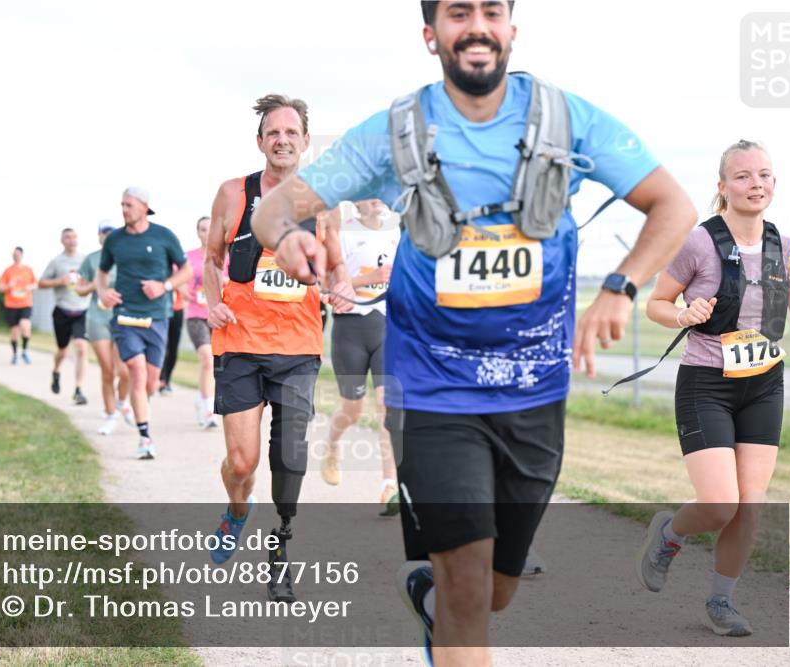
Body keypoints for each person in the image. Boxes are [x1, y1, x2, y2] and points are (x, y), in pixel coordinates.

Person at [250, 2, 697, 663]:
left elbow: (674, 204)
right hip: (432, 390)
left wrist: (621, 287)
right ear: (431, 35)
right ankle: (446, 599)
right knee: (467, 588)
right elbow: (274, 207)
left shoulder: (567, 119)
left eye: (492, 10)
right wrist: (287, 238)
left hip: (532, 392)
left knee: (494, 592)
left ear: (513, 29)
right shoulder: (396, 130)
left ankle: (432, 598)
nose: (477, 25)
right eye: (459, 12)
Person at [637, 140, 790, 637]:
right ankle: (668, 534)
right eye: (743, 176)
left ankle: (720, 601)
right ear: (722, 187)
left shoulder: (787, 248)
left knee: (749, 504)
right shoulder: (699, 243)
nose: (756, 184)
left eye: (765, 175)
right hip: (706, 383)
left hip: (764, 384)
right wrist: (683, 313)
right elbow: (657, 304)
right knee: (719, 504)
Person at [203, 94, 355, 603]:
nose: (283, 139)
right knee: (242, 464)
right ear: (261, 141)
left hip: (297, 346)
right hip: (240, 343)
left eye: (292, 132)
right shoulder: (232, 193)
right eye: (274, 132)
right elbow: (210, 259)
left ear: (305, 140)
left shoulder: (323, 204)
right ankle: (237, 511)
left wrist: (345, 286)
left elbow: (335, 266)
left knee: (290, 457)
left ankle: (281, 547)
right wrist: (212, 304)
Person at [319, 200, 402, 517]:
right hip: (350, 329)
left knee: (385, 405)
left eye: (382, 195)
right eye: (371, 195)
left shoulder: (396, 233)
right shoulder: (342, 234)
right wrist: (370, 278)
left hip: (386, 326)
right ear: (356, 202)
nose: (378, 201)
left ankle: (388, 485)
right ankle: (332, 444)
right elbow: (326, 286)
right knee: (352, 411)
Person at [97, 188, 192, 459]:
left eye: (129, 205)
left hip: (157, 317)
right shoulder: (115, 240)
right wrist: (104, 292)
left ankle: (134, 405)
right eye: (122, 205)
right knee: (137, 372)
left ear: (144, 206)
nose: (124, 210)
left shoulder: (163, 236)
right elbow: (102, 274)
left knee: (151, 383)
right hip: (125, 315)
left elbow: (185, 271)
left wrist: (164, 286)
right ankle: (145, 438)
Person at [78, 220, 134, 435]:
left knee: (125, 371)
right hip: (97, 317)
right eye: (104, 232)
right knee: (108, 370)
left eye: (112, 232)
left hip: (121, 317)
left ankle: (121, 402)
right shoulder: (91, 260)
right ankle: (110, 416)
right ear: (99, 236)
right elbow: (79, 289)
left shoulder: (126, 257)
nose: (108, 236)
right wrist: (96, 285)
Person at [40, 229, 91, 405]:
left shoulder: (85, 260)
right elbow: (41, 283)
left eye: (74, 236)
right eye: (68, 237)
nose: (72, 240)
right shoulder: (56, 262)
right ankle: (56, 371)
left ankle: (78, 390)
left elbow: (95, 280)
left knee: (81, 347)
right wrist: (59, 281)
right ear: (62, 240)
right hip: (62, 310)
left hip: (82, 310)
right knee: (62, 351)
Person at [185, 215, 219, 428]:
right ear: (198, 233)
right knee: (207, 358)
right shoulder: (188, 257)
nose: (207, 233)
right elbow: (179, 280)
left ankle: (202, 398)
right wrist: (187, 294)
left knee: (216, 364)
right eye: (203, 229)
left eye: (210, 228)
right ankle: (208, 409)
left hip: (217, 315)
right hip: (196, 315)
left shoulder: (226, 256)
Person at [0, 246, 36, 365]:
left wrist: (30, 287)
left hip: (25, 303)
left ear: (22, 255)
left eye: (18, 254)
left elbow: (35, 284)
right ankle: (15, 355)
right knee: (14, 332)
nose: (16, 256)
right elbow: (0, 288)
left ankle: (24, 351)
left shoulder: (28, 270)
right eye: (14, 254)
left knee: (25, 326)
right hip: (11, 305)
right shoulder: (8, 271)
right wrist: (8, 286)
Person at [158, 271, 186, 395]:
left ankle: (166, 379)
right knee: (161, 345)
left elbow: (186, 288)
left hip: (177, 310)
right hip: (161, 310)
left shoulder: (182, 266)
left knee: (173, 348)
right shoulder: (161, 261)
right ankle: (160, 379)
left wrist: (173, 283)